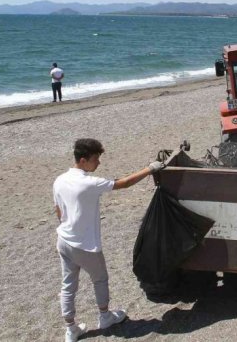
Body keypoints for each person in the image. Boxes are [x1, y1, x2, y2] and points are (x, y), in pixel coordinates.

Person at [53, 138, 164, 342]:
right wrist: (149, 169)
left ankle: (71, 329)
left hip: (64, 240)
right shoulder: (89, 183)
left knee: (68, 286)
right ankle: (105, 316)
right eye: (95, 159)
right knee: (100, 279)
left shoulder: (59, 180)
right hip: (85, 245)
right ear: (83, 160)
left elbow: (58, 211)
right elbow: (124, 183)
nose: (99, 163)